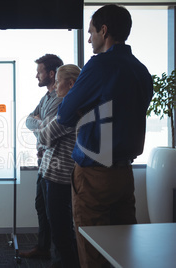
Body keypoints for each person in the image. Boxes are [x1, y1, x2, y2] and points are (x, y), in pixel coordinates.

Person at [57, 5, 153, 268]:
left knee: (93, 248)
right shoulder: (141, 70)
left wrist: (82, 106)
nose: (88, 39)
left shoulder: (99, 65)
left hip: (93, 174)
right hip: (124, 172)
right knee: (124, 248)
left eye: (90, 33)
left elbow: (64, 114)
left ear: (104, 30)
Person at [37, 64, 81, 268]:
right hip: (53, 174)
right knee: (60, 228)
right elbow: (45, 133)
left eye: (57, 81)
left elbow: (45, 137)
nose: (54, 86)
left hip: (59, 176)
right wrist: (44, 124)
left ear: (70, 83)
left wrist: (42, 123)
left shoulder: (70, 108)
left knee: (61, 231)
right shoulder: (66, 105)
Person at [20, 54, 63, 259]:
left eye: (40, 72)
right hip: (42, 159)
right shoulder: (45, 98)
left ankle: (57, 255)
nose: (36, 75)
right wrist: (40, 122)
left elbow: (49, 130)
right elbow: (29, 120)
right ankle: (43, 248)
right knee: (41, 204)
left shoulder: (60, 98)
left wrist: (40, 123)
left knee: (54, 210)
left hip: (54, 159)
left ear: (51, 74)